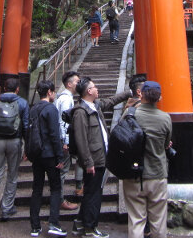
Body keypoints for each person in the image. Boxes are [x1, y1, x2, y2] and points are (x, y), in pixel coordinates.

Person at [72, 77, 132, 238]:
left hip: (100, 156)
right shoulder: (80, 112)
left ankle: (80, 223)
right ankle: (90, 228)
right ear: (88, 91)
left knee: (92, 191)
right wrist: (88, 161)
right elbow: (81, 140)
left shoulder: (95, 106)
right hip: (93, 159)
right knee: (94, 194)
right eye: (94, 86)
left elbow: (111, 101)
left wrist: (128, 93)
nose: (97, 88)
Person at [121, 81, 172, 238]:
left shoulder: (129, 115)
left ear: (140, 94)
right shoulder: (165, 118)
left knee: (136, 220)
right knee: (158, 221)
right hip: (157, 173)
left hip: (134, 174)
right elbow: (166, 144)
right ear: (159, 98)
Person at [0, 77, 29, 226]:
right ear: (17, 89)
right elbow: (26, 125)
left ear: (4, 88)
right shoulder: (22, 103)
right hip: (15, 142)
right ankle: (7, 208)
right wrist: (26, 146)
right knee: (12, 175)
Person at [28, 80, 67, 237]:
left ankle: (35, 226)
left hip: (37, 155)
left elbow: (27, 131)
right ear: (50, 92)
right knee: (55, 188)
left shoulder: (33, 109)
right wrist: (60, 157)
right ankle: (53, 223)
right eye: (54, 91)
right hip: (50, 154)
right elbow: (54, 134)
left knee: (37, 189)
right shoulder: (51, 109)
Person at [55, 71, 81, 210]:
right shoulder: (66, 99)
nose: (79, 83)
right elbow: (64, 121)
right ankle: (60, 200)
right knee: (63, 171)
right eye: (77, 81)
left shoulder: (64, 97)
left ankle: (59, 198)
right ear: (69, 84)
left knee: (62, 170)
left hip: (61, 139)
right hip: (63, 140)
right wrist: (66, 141)